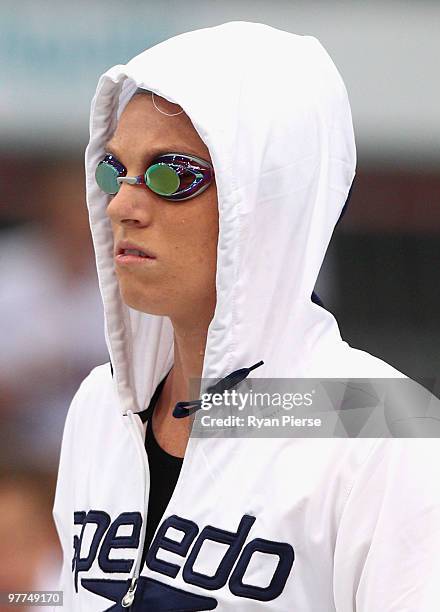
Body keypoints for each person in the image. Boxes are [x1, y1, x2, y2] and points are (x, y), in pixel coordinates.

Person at [53, 21, 440, 610]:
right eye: (113, 169)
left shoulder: (385, 426)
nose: (123, 205)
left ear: (264, 199)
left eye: (172, 175)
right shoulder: (99, 407)